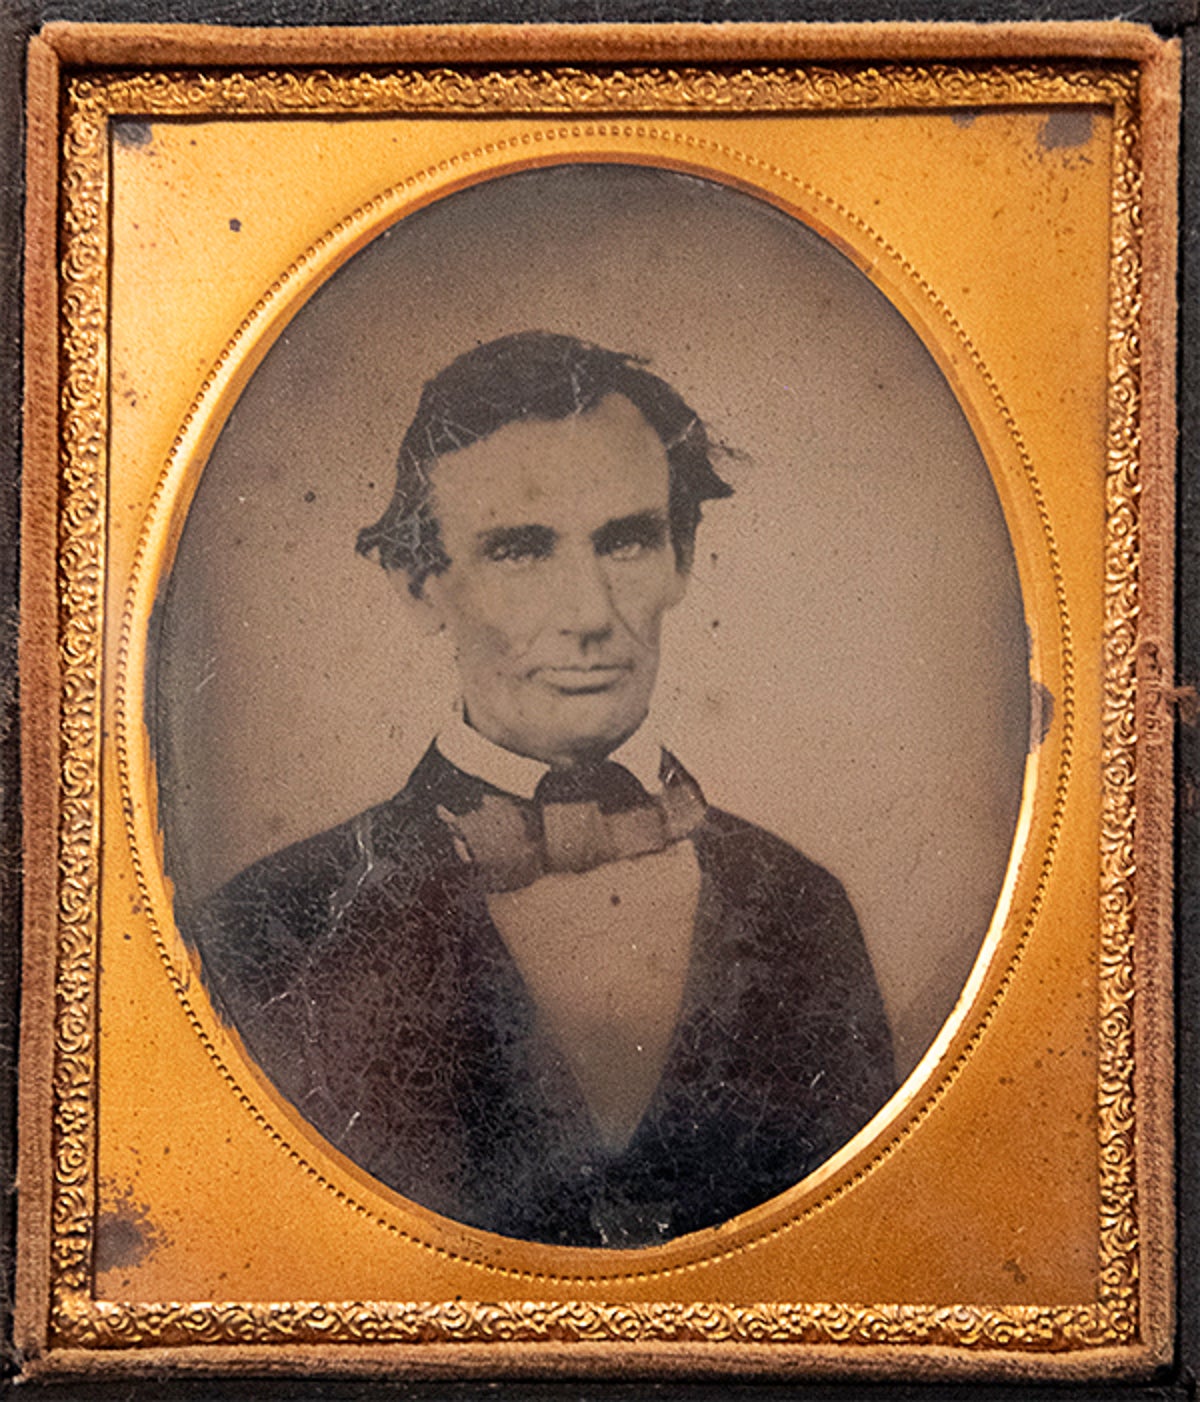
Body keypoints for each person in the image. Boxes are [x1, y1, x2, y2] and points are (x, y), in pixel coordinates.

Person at [185, 331, 895, 1249]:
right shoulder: (272, 931)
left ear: (682, 559)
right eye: (521, 551)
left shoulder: (803, 911)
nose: (591, 615)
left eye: (627, 542)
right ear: (418, 584)